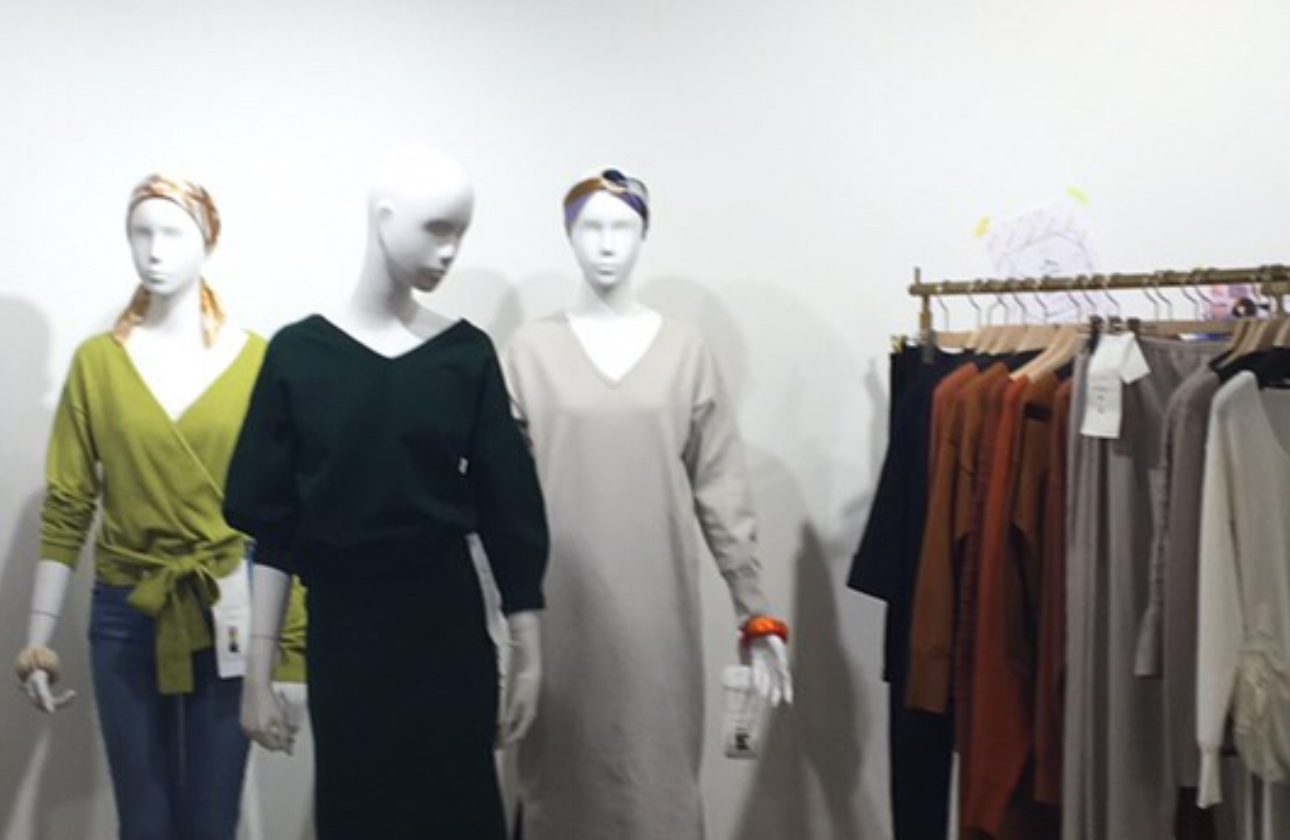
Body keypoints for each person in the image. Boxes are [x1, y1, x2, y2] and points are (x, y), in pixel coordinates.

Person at [223, 145, 548, 840]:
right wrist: (258, 669)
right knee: (358, 815)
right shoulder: (300, 357)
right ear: (384, 218)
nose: (450, 250)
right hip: (347, 637)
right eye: (436, 228)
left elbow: (509, 509)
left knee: (460, 816)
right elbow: (274, 527)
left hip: (449, 634)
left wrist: (529, 648)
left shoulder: (465, 355)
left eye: (461, 231)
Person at [13, 174, 306, 840]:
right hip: (127, 608)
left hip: (229, 605)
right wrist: (38, 639)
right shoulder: (97, 364)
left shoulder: (258, 361)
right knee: (142, 821)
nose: (153, 249)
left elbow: (286, 516)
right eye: (139, 232)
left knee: (212, 819)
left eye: (172, 232)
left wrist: (291, 652)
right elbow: (69, 505)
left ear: (208, 242)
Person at [504, 168, 793, 840]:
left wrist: (756, 613)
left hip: (657, 614)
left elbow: (723, 491)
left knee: (655, 783)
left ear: (644, 236)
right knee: (561, 784)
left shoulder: (684, 352)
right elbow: (499, 503)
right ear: (568, 236)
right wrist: (498, 620)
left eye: (623, 227)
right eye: (591, 227)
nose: (607, 244)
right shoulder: (527, 354)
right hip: (558, 612)